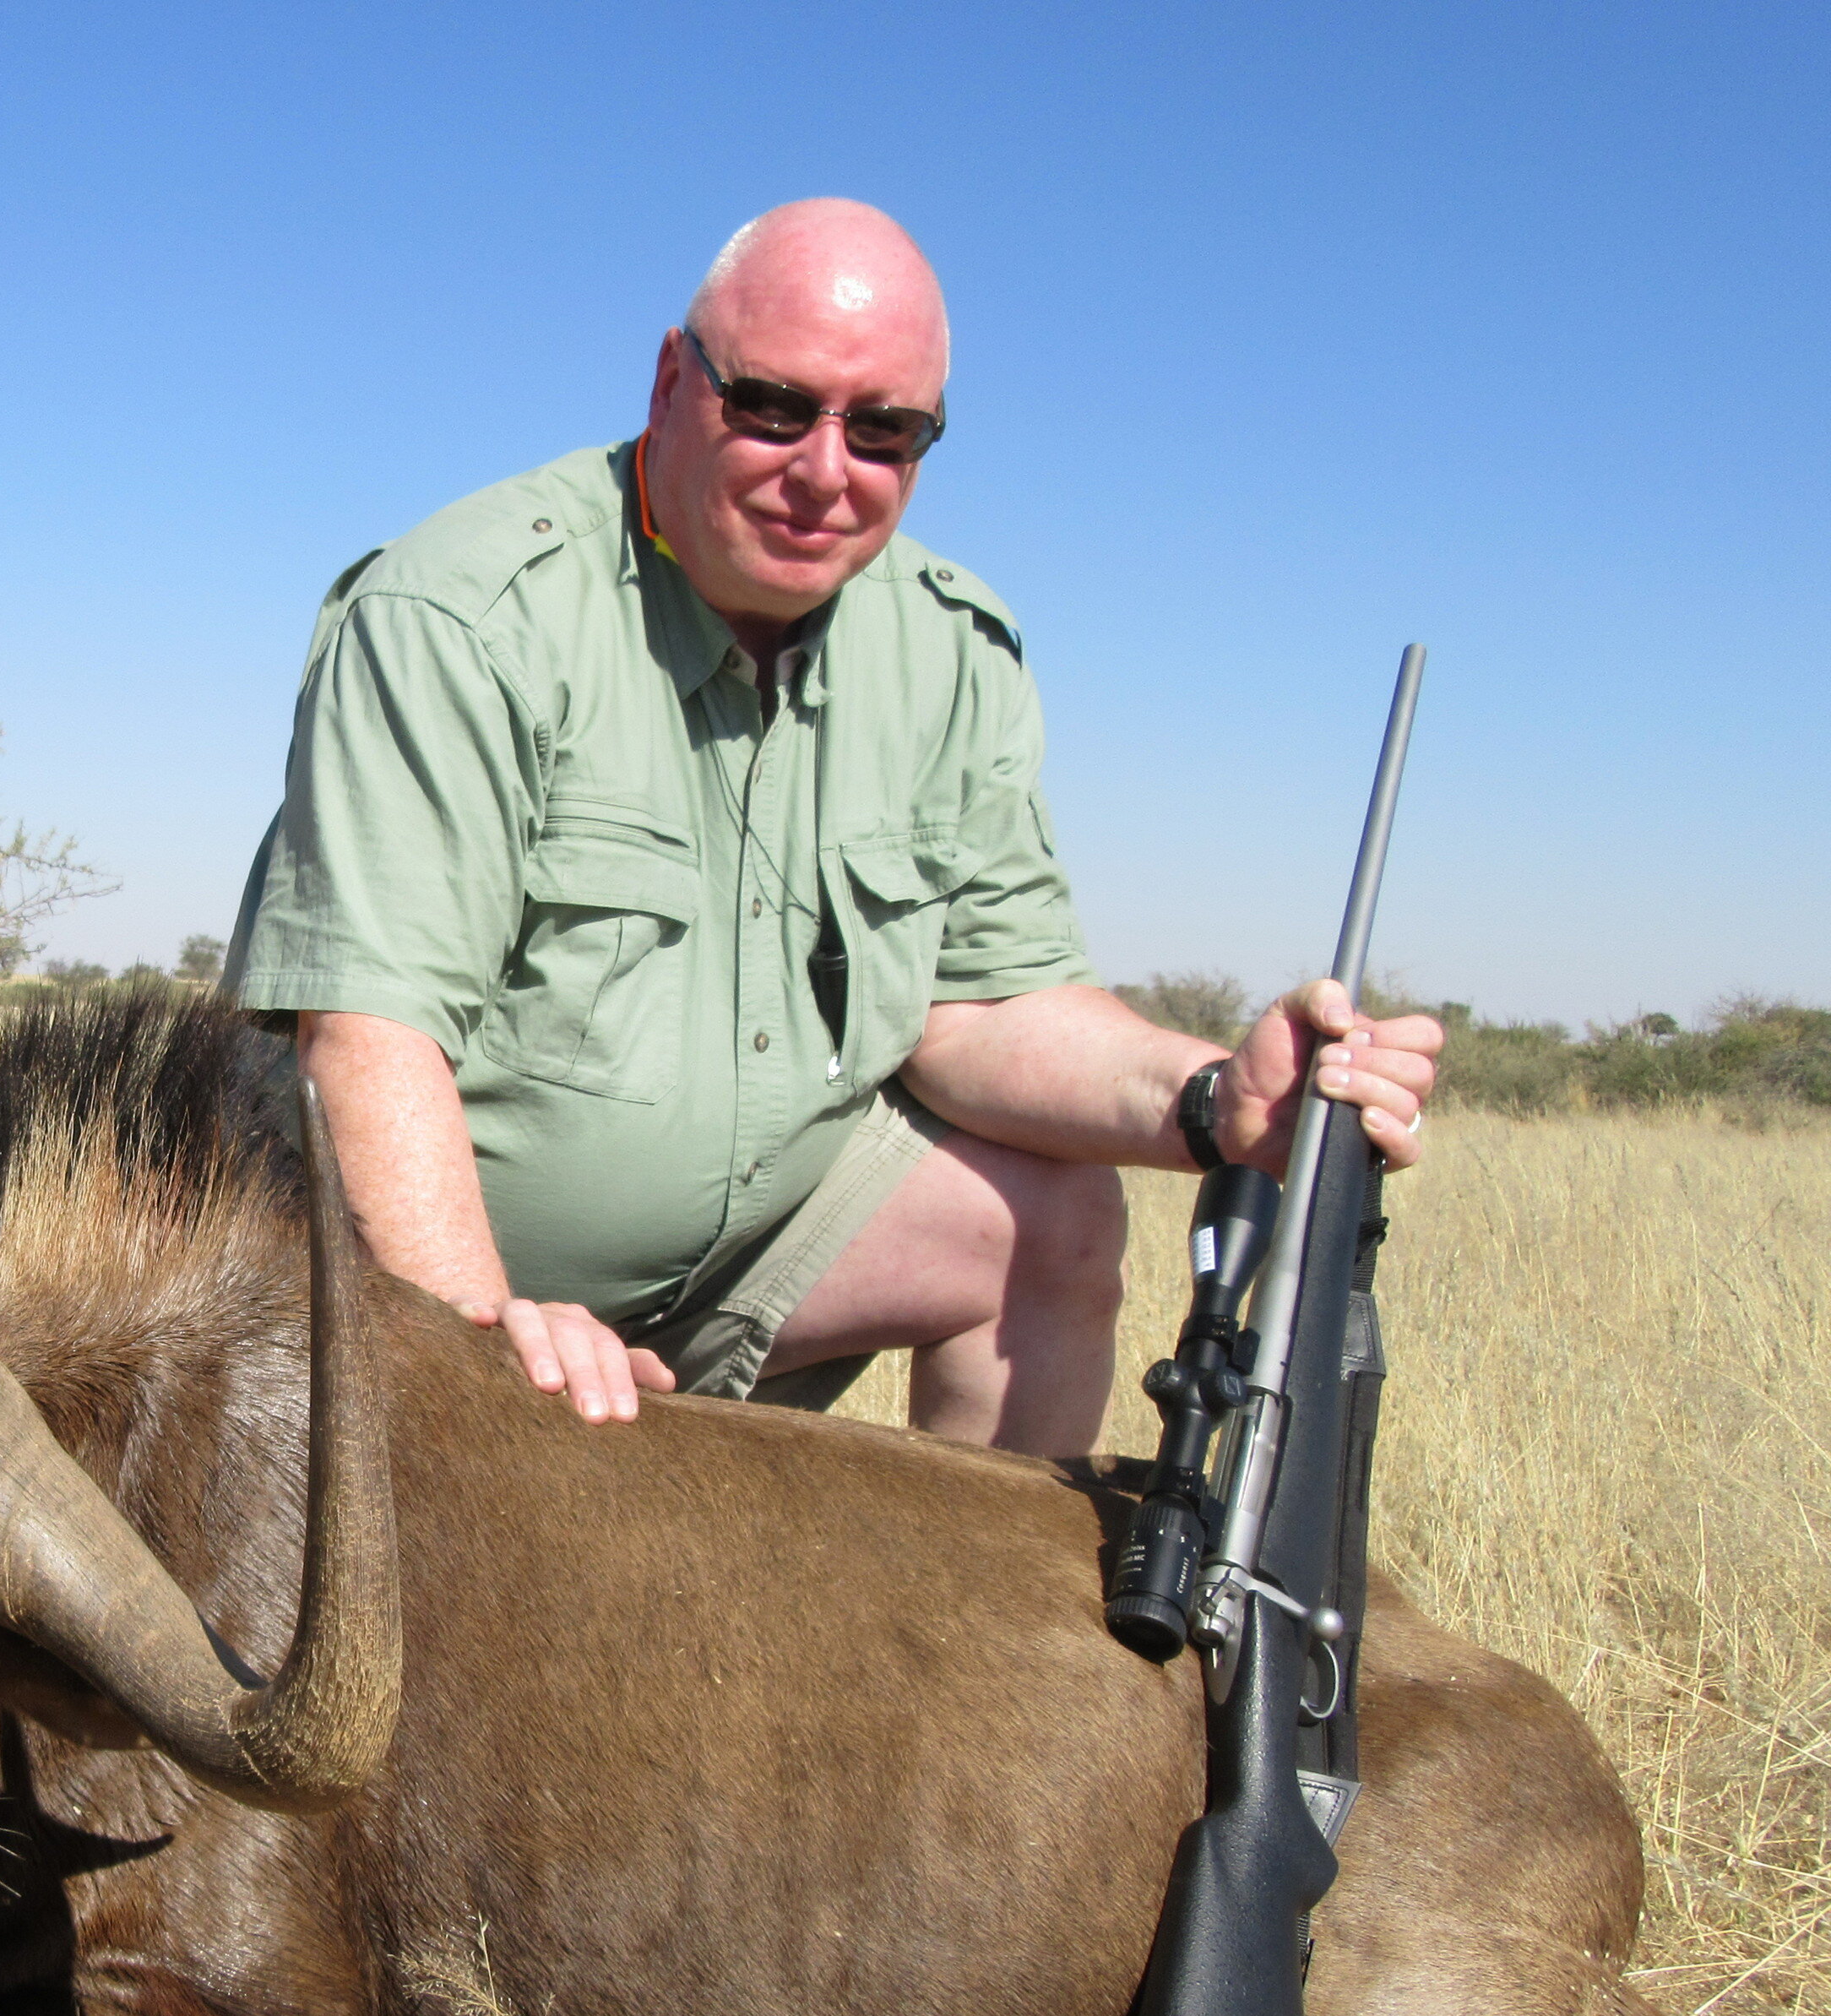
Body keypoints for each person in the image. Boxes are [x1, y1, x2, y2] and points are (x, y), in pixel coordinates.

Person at [223, 198, 1441, 1455]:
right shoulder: (461, 616)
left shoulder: (954, 650)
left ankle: (984, 1643)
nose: (825, 470)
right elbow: (370, 1036)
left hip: (743, 1267)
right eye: (772, 405)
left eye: (884, 431)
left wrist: (1215, 1102)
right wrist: (479, 1332)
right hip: (421, 1283)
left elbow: (984, 1010)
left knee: (1056, 1219)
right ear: (668, 380)